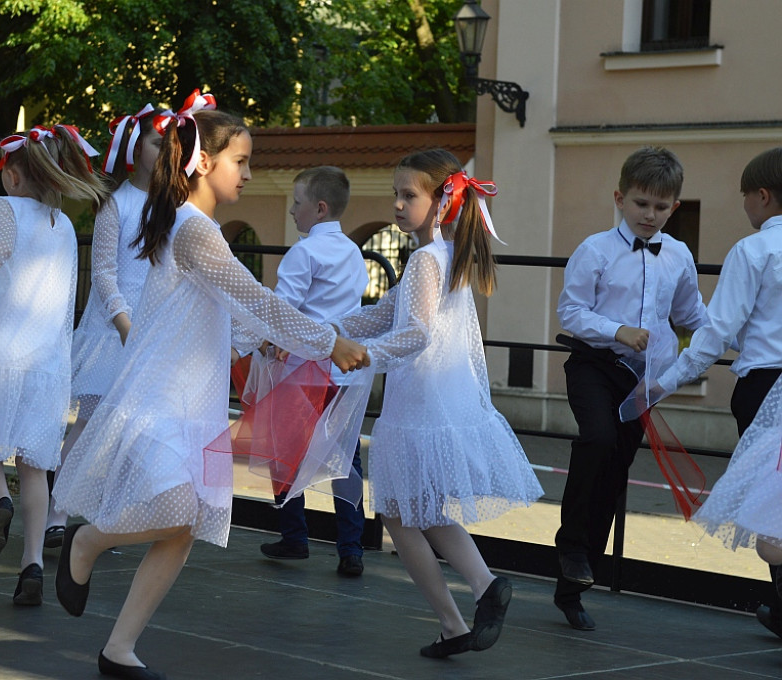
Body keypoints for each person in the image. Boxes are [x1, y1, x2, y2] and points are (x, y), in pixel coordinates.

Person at [50, 92, 369, 680]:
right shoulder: (194, 229)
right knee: (176, 511)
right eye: (240, 162)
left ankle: (120, 647)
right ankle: (89, 543)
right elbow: (255, 297)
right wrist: (329, 341)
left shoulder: (194, 226)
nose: (249, 174)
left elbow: (236, 311)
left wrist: (267, 340)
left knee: (186, 525)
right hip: (161, 393)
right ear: (203, 163)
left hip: (193, 397)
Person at [334, 148, 542, 659]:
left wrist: (363, 356)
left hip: (418, 406)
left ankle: (464, 607)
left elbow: (414, 333)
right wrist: (326, 333)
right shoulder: (442, 255)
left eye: (409, 195)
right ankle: (475, 596)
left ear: (442, 202)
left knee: (401, 512)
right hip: (432, 400)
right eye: (396, 195)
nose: (399, 205)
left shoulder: (428, 259)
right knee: (415, 511)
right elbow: (385, 313)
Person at [0, 124, 111, 606]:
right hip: (47, 359)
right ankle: (32, 565)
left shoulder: (3, 208)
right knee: (35, 467)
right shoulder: (61, 226)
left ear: (14, 177)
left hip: (0, 348)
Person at [627, 146, 782, 639]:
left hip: (765, 390)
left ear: (762, 196)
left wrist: (663, 383)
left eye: (744, 196)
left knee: (771, 513)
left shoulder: (755, 249)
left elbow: (714, 335)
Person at [555, 145, 707, 630]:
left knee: (614, 472)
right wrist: (616, 331)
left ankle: (575, 584)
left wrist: (728, 334)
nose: (650, 215)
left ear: (674, 208)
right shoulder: (595, 250)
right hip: (594, 364)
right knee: (597, 441)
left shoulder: (678, 255)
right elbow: (571, 312)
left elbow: (690, 316)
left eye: (661, 207)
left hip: (642, 383)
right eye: (642, 204)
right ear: (621, 198)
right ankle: (571, 546)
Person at [44, 105, 159, 548]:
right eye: (156, 141)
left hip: (152, 333)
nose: (165, 150)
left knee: (134, 429)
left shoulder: (176, 205)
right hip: (115, 332)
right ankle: (57, 514)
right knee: (89, 423)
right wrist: (124, 322)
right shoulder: (117, 203)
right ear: (134, 147)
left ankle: (104, 517)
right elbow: (106, 272)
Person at [256, 166, 369, 576]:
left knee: (284, 451)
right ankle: (351, 547)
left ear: (319, 209)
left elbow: (283, 311)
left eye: (297, 203)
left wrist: (269, 340)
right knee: (346, 460)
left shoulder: (303, 253)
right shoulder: (354, 252)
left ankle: (294, 535)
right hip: (346, 373)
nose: (292, 211)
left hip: (305, 371)